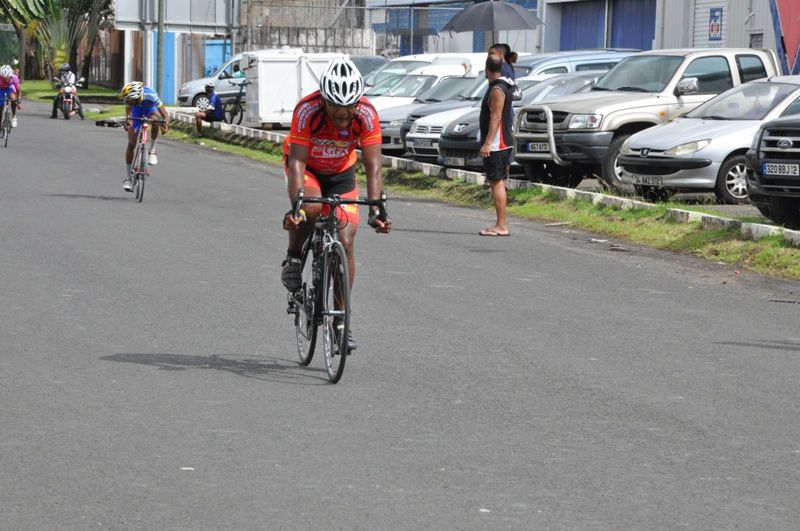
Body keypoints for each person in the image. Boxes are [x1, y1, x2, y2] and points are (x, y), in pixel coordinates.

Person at [281, 57, 391, 351]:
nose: (343, 115)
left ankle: (340, 320)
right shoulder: (307, 110)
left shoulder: (366, 114)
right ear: (324, 100)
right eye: (335, 108)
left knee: (347, 239)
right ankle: (294, 257)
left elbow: (374, 167)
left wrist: (377, 210)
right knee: (311, 209)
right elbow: (296, 163)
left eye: (349, 109)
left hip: (342, 173)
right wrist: (297, 208)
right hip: (309, 170)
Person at [478, 54, 513, 237]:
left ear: (487, 69)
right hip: (501, 142)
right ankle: (500, 224)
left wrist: (487, 143)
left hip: (497, 144)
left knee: (496, 183)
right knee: (497, 182)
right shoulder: (501, 86)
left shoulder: (498, 89)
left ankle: (501, 225)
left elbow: (496, 117)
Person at [118, 81, 170, 192]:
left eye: (128, 100)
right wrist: (129, 122)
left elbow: (165, 114)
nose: (126, 101)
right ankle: (128, 178)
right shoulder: (130, 99)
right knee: (131, 143)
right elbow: (129, 114)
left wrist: (165, 124)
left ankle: (152, 150)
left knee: (156, 120)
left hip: (150, 110)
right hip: (136, 111)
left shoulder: (150, 95)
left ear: (136, 96)